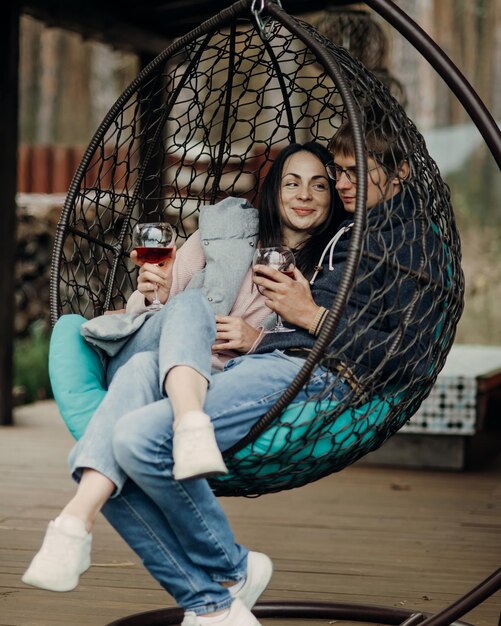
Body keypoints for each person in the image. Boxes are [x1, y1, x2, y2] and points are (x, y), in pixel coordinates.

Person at [22, 141, 346, 626]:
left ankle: (77, 521)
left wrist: (257, 339)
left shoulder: (329, 264)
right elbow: (159, 306)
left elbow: (317, 343)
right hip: (160, 342)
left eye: (319, 184)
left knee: (131, 391)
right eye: (292, 182)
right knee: (190, 308)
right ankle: (190, 422)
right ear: (274, 189)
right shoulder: (225, 231)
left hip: (196, 377)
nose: (305, 195)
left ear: (332, 196)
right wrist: (149, 292)